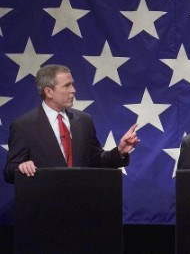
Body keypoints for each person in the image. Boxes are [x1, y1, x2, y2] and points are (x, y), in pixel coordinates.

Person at [3, 64, 139, 184]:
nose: (73, 90)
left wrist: (120, 151)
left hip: (81, 202)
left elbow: (96, 161)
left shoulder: (84, 120)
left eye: (72, 84)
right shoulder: (24, 125)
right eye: (67, 85)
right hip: (45, 205)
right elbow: (9, 171)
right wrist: (21, 167)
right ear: (49, 92)